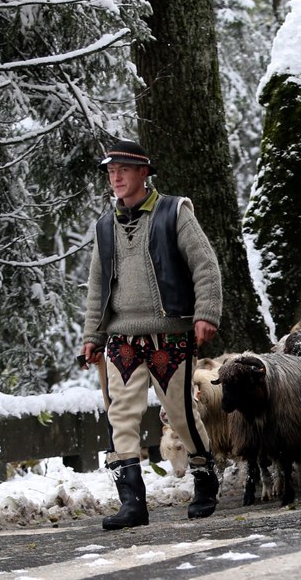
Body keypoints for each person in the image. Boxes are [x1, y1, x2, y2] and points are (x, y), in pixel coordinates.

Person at [81, 139, 223, 530]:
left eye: (123, 170)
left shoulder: (174, 212)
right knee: (120, 416)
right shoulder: (105, 226)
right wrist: (93, 334)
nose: (116, 178)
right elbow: (97, 284)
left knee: (180, 415)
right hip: (122, 337)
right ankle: (132, 503)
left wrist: (206, 313)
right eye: (111, 172)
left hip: (170, 333)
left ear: (144, 172)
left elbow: (205, 266)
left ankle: (205, 480)